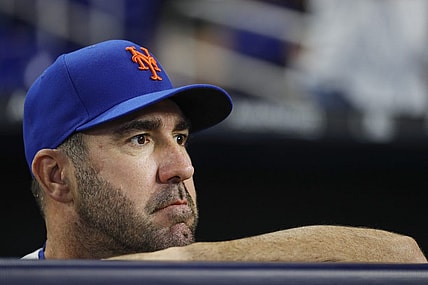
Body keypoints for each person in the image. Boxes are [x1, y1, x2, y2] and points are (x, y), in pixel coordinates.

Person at [21, 39, 426, 262]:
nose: (182, 167)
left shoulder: (216, 269)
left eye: (180, 138)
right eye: (139, 139)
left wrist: (190, 263)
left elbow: (404, 255)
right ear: (57, 176)